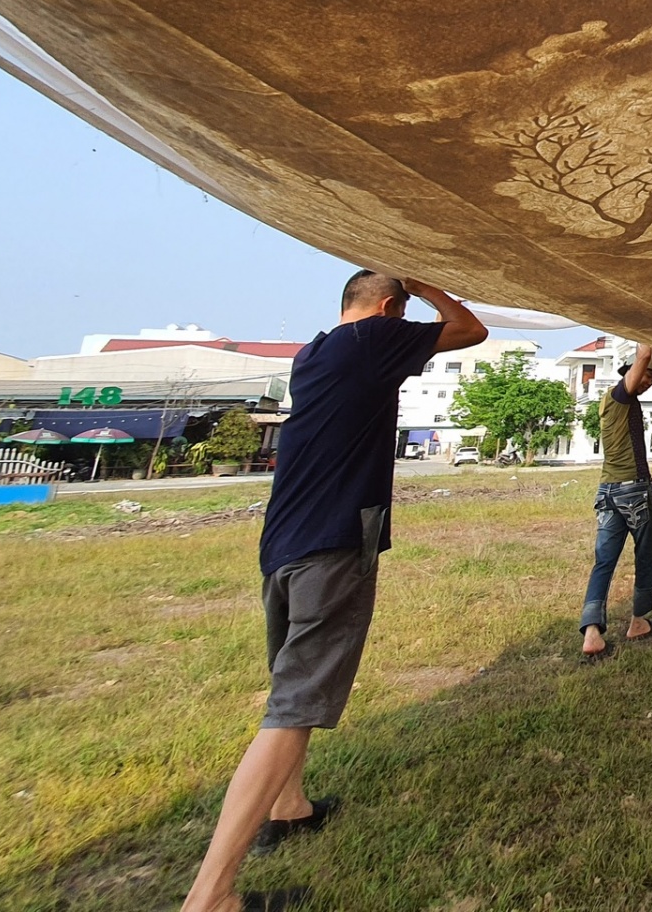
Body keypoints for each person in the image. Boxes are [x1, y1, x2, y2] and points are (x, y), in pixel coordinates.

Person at [181, 272, 485, 912]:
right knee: (295, 707)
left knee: (289, 684)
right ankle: (211, 896)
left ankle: (290, 807)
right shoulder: (375, 337)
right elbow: (471, 331)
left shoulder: (313, 352)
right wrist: (428, 287)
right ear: (386, 309)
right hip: (331, 547)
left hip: (283, 548)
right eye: (399, 312)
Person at [579, 341, 652, 659]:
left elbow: (648, 356)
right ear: (629, 371)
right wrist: (643, 336)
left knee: (604, 562)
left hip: (608, 492)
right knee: (646, 557)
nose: (648, 381)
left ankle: (592, 633)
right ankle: (639, 621)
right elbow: (643, 354)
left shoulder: (611, 400)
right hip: (634, 492)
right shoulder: (622, 394)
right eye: (645, 375)